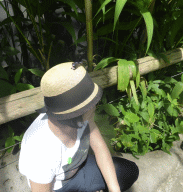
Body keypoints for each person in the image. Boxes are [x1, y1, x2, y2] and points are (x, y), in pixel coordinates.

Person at [19, 62, 139, 192]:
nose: (95, 105)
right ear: (74, 113)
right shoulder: (40, 150)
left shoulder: (82, 118)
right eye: (90, 103)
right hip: (57, 187)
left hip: (81, 169)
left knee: (128, 171)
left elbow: (99, 148)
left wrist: (114, 189)